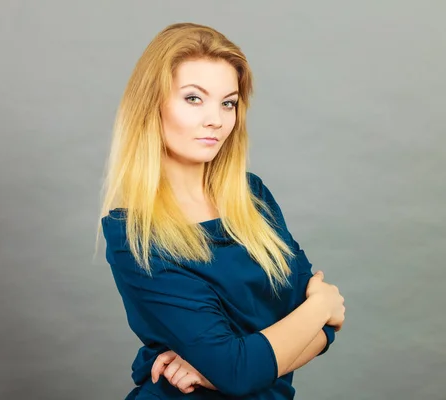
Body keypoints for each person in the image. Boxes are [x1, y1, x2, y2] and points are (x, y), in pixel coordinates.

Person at [97, 22, 346, 399]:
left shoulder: (252, 195)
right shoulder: (133, 233)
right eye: (194, 98)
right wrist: (322, 305)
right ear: (152, 104)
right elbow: (246, 366)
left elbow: (318, 332)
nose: (216, 119)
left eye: (228, 102)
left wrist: (224, 367)